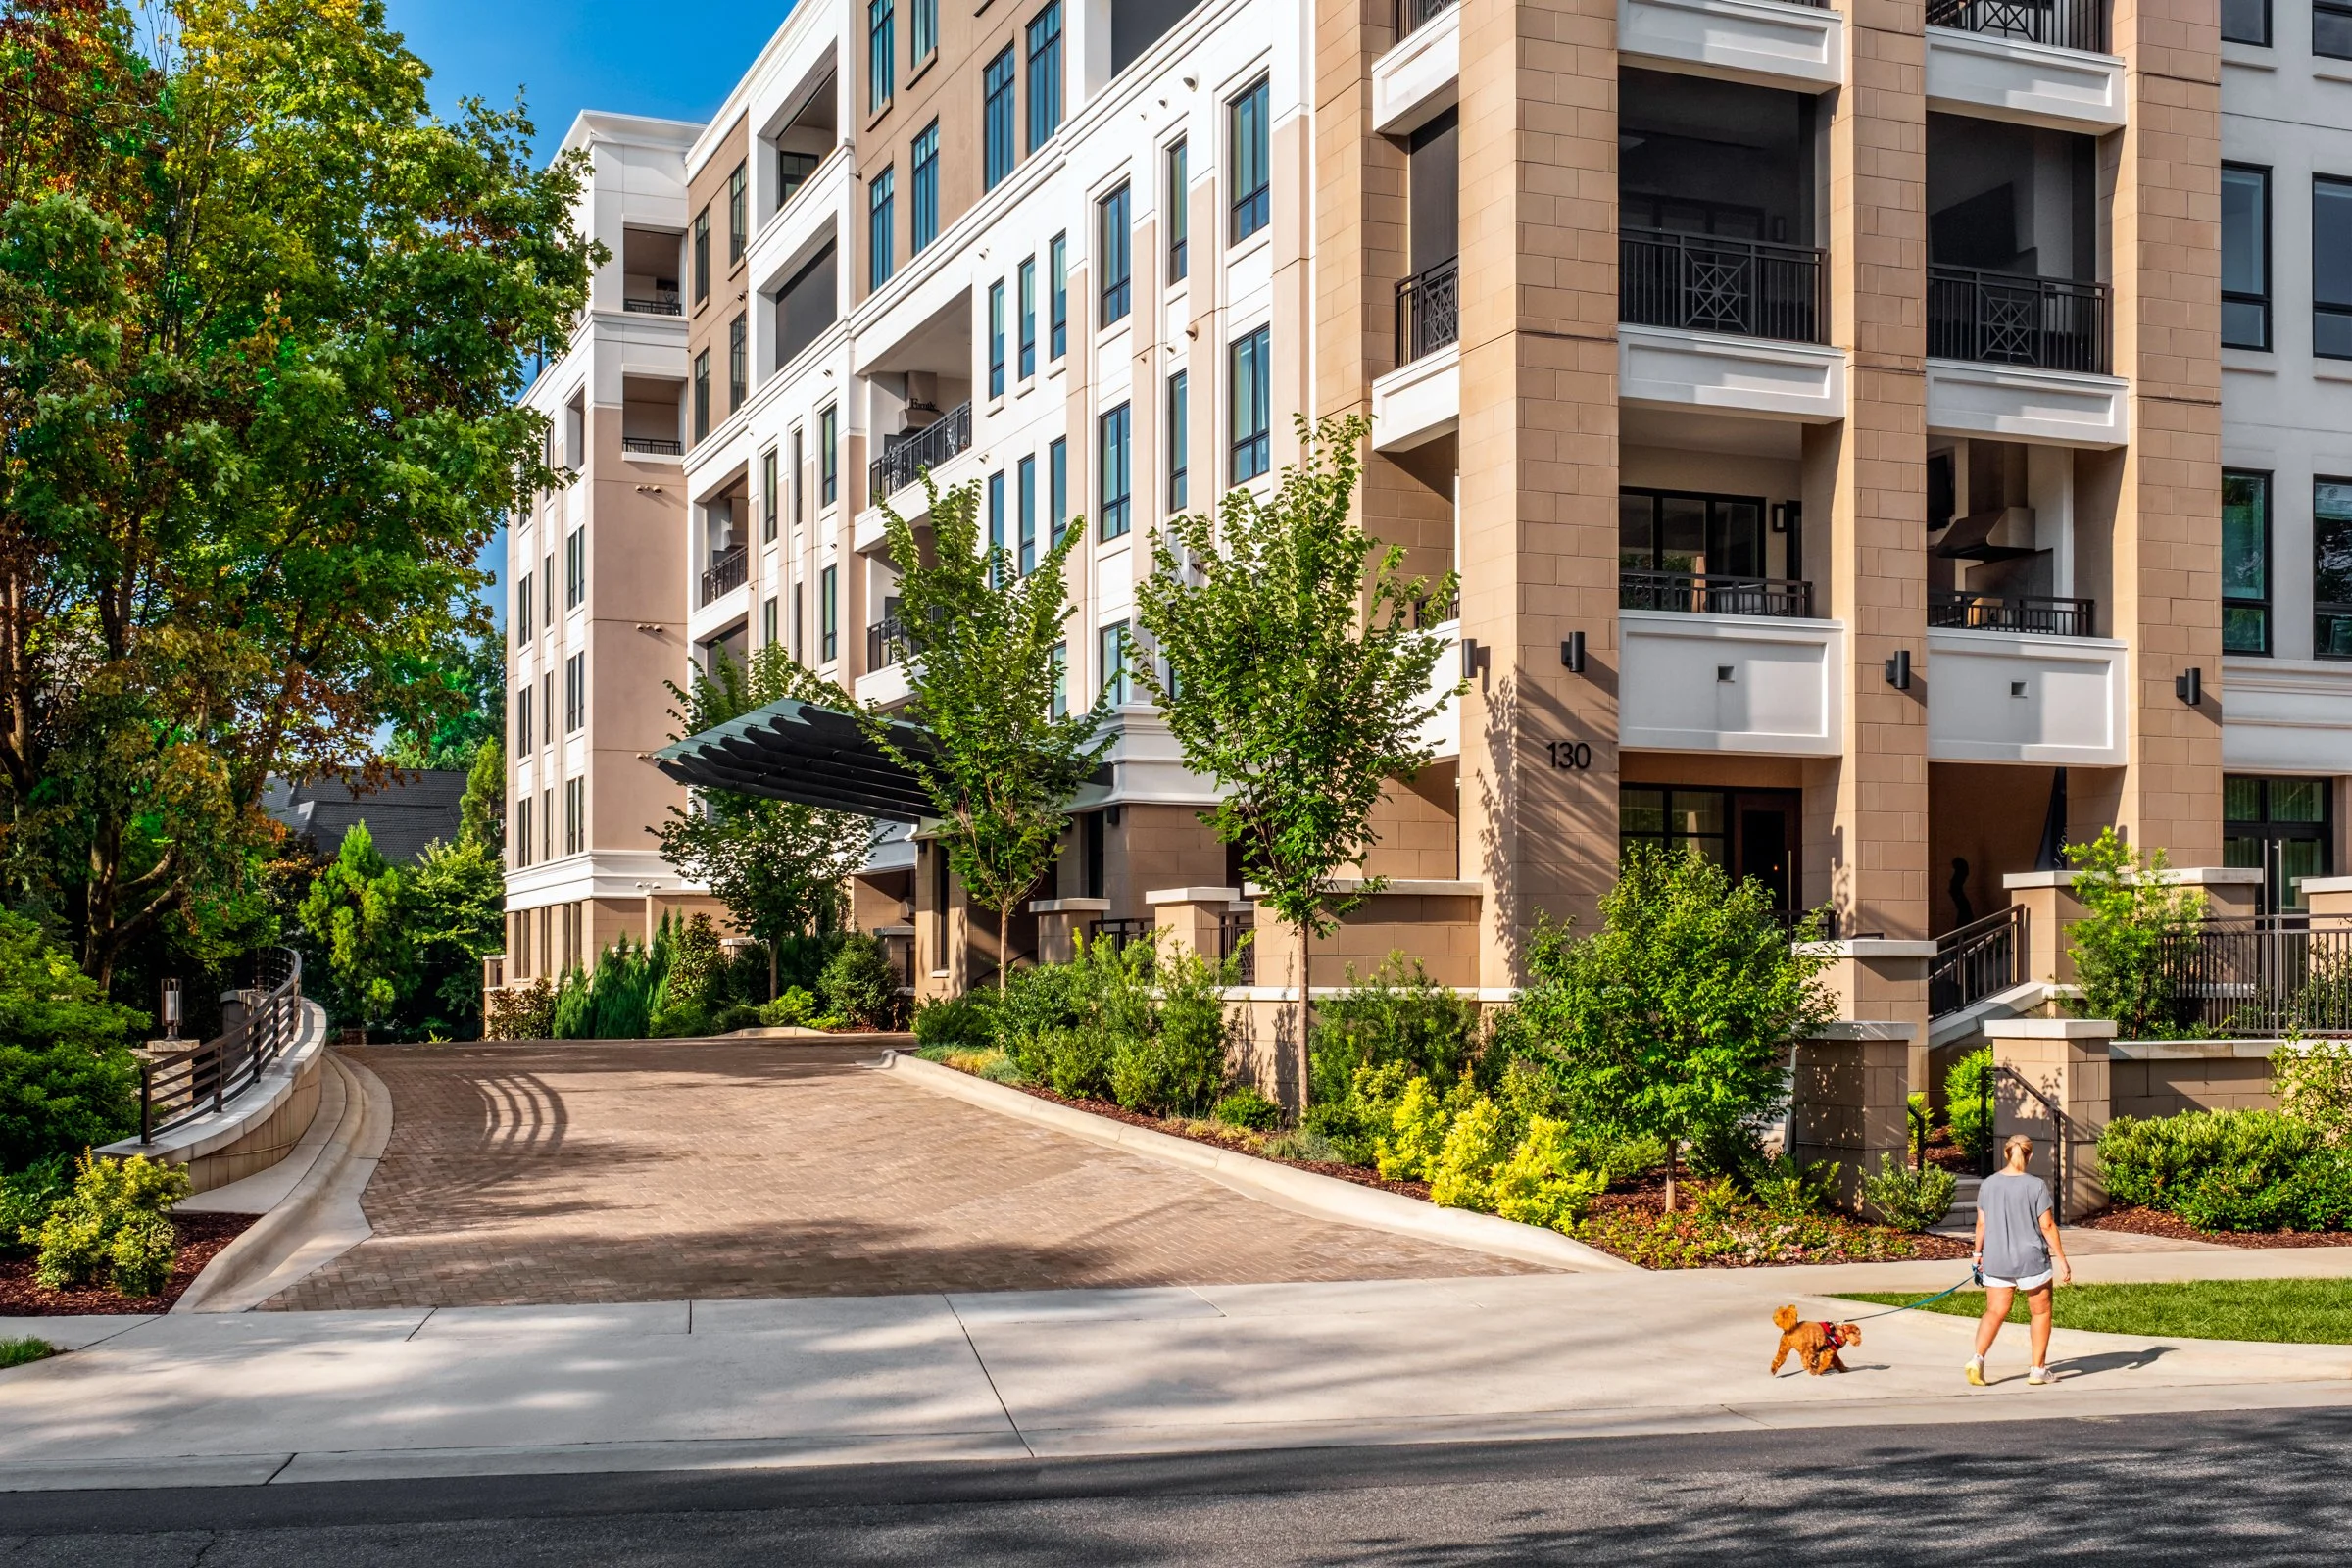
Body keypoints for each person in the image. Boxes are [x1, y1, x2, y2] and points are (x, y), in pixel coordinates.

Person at [1967, 1132, 2073, 1387]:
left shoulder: (1988, 1184)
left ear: (2006, 1153)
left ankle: (1977, 1359)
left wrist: (1977, 1255)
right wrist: (2062, 1258)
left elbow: (1981, 1224)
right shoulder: (2035, 1185)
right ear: (2030, 1155)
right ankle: (2038, 1370)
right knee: (2041, 1312)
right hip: (2031, 1260)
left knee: (1994, 1311)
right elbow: (2047, 1225)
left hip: (1996, 1259)